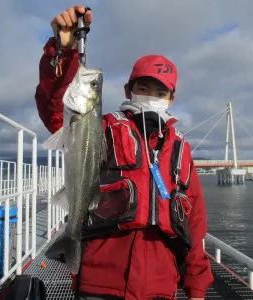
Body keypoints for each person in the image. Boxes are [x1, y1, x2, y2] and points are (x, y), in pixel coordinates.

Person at [34, 4, 214, 300]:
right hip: (100, 279)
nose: (151, 97)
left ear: (172, 98)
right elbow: (55, 112)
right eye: (144, 88)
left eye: (160, 93)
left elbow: (195, 222)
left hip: (161, 285)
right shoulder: (102, 127)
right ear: (129, 90)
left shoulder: (180, 149)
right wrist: (62, 54)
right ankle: (71, 240)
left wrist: (195, 288)